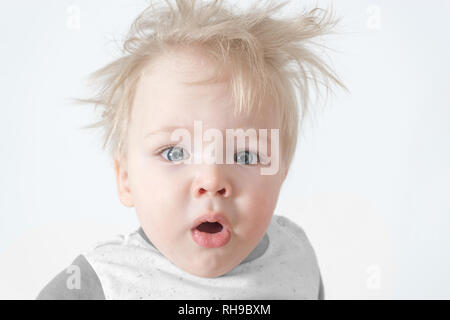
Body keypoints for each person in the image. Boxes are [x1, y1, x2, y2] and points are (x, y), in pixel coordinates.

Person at [37, 0, 347, 299]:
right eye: (174, 153)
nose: (212, 181)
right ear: (126, 179)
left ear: (281, 172)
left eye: (245, 156)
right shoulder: (101, 284)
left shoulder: (294, 257)